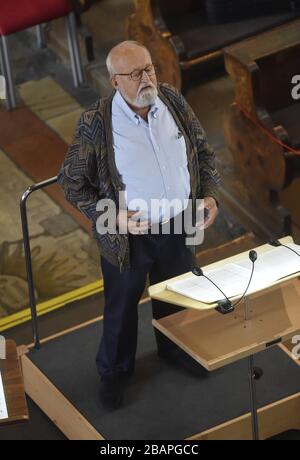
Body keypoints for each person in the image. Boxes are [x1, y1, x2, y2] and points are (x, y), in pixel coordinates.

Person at [57, 40, 220, 409]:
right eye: (136, 74)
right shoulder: (97, 122)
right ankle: (114, 373)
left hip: (179, 226)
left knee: (177, 295)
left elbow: (203, 152)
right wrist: (110, 215)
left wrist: (209, 195)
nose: (147, 78)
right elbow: (70, 181)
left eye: (150, 69)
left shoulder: (173, 101)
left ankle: (177, 351)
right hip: (129, 235)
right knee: (121, 308)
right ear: (115, 82)